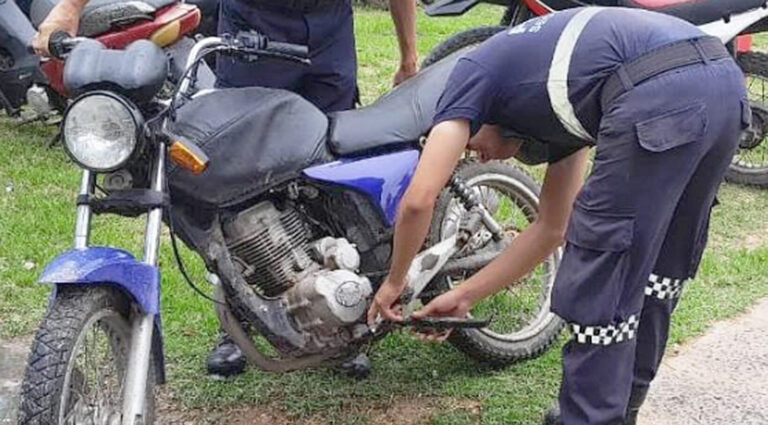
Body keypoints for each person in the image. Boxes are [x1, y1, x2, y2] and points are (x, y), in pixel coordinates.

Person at [367, 7, 747, 425]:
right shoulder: (555, 96)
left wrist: (396, 281)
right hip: (723, 82)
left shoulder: (468, 75)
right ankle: (622, 407)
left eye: (470, 145)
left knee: (604, 271)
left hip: (654, 91)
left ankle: (587, 417)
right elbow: (552, 227)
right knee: (659, 270)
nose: (476, 154)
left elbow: (420, 199)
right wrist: (466, 294)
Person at [33, 0, 418, 377]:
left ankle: (337, 318)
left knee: (326, 175)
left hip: (331, 29)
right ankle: (237, 325)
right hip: (255, 24)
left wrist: (408, 56)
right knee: (232, 176)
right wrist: (69, 8)